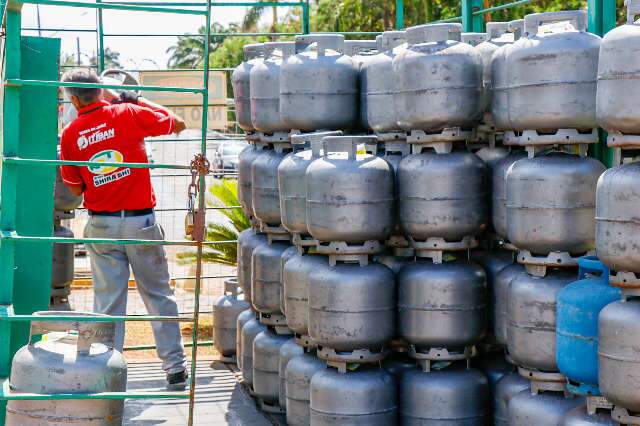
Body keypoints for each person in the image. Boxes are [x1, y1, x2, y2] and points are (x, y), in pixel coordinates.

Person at [59, 69, 189, 390]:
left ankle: (108, 373)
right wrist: (137, 98)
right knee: (159, 296)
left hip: (101, 225)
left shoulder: (70, 134)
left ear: (74, 100)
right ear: (102, 91)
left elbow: (74, 189)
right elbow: (176, 122)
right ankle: (175, 369)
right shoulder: (128, 112)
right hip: (141, 222)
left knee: (107, 302)